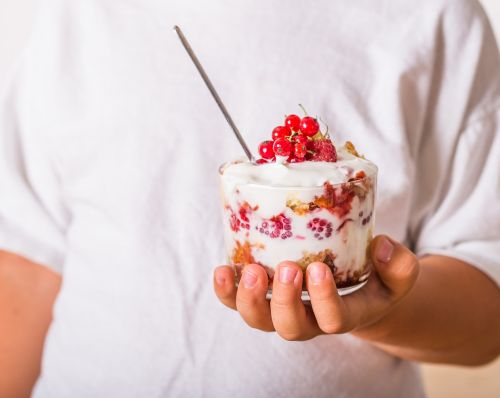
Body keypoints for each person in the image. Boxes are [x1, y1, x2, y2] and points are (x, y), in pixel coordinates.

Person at [0, 0, 499, 397]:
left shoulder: (433, 14)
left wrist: (382, 310)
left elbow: (487, 302)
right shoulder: (78, 14)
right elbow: (26, 273)